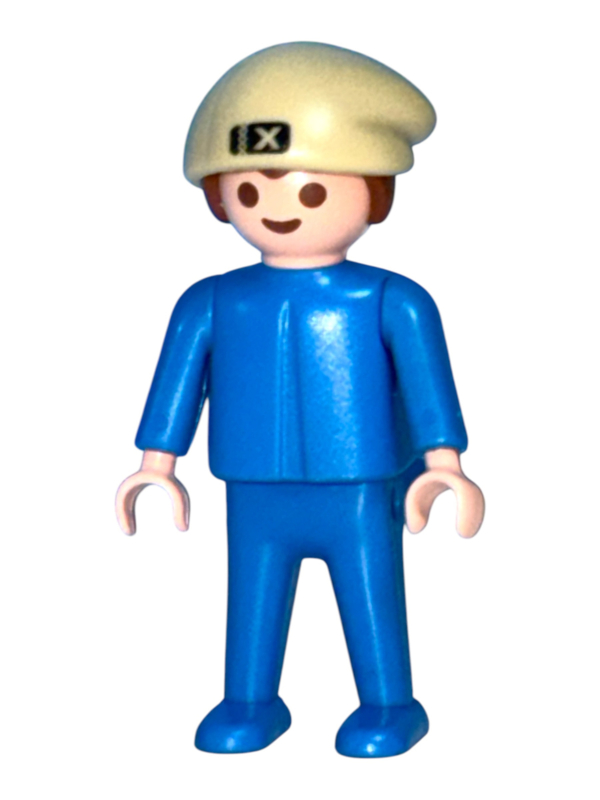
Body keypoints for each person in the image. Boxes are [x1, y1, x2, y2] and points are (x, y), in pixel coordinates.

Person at [116, 42, 484, 758]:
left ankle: (388, 704)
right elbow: (177, 381)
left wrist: (445, 463)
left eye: (312, 192)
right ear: (220, 197)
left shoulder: (391, 298)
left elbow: (427, 383)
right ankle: (249, 700)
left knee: (370, 593)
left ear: (373, 191)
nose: (278, 209)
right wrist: (155, 463)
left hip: (359, 484)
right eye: (249, 192)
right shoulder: (210, 300)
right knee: (251, 595)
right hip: (254, 483)